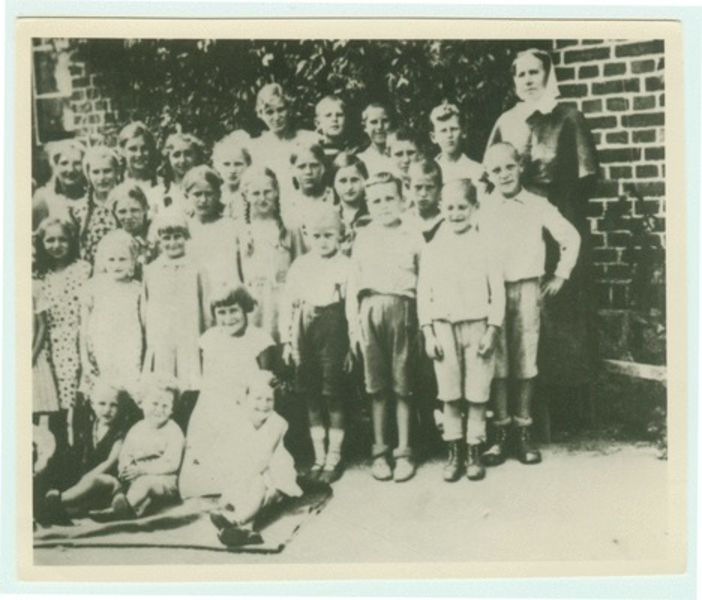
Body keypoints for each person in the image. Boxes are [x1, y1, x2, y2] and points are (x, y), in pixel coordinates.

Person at [487, 48, 599, 413]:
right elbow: (493, 175)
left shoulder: (568, 116)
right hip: (517, 229)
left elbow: (584, 180)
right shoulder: (507, 120)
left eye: (534, 72)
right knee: (517, 316)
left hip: (557, 216)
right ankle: (523, 410)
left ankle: (566, 405)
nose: (528, 80)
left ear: (547, 75)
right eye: (521, 74)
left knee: (558, 311)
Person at [481, 142, 580, 465]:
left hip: (526, 288)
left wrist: (560, 274)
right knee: (496, 363)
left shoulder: (538, 205)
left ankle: (523, 431)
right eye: (496, 170)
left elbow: (571, 237)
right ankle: (500, 432)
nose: (504, 174)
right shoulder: (483, 208)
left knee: (525, 361)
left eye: (509, 167)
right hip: (491, 292)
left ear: (520, 166)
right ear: (488, 175)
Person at [418, 179, 504, 482]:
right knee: (450, 394)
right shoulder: (433, 248)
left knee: (477, 393)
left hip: (477, 326)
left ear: (475, 208)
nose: (455, 214)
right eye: (450, 207)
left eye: (462, 207)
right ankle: (453, 452)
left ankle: (473, 451)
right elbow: (423, 293)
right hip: (444, 329)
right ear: (441, 207)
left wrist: (492, 329)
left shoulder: (486, 246)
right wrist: (428, 333)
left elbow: (498, 292)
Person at [346, 172, 424, 482]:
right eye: (376, 200)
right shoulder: (364, 237)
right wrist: (354, 326)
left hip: (402, 311)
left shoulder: (413, 234)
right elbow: (354, 284)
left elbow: (426, 280)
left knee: (403, 386)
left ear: (403, 200)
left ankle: (404, 452)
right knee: (376, 387)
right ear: (368, 204)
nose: (384, 205)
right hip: (369, 311)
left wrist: (425, 323)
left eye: (390, 198)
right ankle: (380, 452)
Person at [179, 284, 277, 499]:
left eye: (234, 311)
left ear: (245, 309)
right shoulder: (210, 338)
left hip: (246, 404)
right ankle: (213, 485)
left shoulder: (258, 339)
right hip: (213, 403)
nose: (228, 318)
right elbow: (208, 376)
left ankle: (245, 486)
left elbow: (265, 381)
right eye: (221, 313)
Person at [280, 205, 352, 484]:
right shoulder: (301, 265)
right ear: (308, 235)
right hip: (304, 333)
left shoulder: (346, 265)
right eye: (317, 236)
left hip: (334, 334)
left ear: (340, 235)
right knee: (311, 395)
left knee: (333, 395)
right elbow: (288, 303)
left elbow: (352, 308)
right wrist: (287, 341)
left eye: (329, 235)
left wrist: (352, 344)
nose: (323, 241)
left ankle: (334, 456)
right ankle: (318, 456)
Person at [208, 370, 303, 548]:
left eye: (269, 400)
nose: (264, 405)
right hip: (245, 466)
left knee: (259, 486)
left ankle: (237, 522)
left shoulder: (278, 423)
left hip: (273, 467)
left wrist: (247, 478)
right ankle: (246, 532)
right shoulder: (238, 419)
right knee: (240, 490)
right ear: (246, 398)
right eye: (258, 398)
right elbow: (232, 451)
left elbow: (265, 458)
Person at [142, 209, 209, 430]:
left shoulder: (197, 268)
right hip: (162, 339)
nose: (172, 243)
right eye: (167, 238)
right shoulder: (151, 270)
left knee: (190, 386)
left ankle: (187, 431)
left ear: (186, 237)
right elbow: (145, 308)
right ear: (159, 241)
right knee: (164, 386)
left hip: (189, 337)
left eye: (177, 236)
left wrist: (206, 340)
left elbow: (205, 305)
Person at [89, 377, 185, 521]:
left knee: (144, 482)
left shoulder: (173, 431)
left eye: (165, 406)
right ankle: (64, 503)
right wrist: (125, 469)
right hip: (135, 477)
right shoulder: (137, 428)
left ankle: (120, 510)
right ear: (141, 403)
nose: (159, 410)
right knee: (105, 482)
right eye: (155, 403)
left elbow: (171, 464)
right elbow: (125, 454)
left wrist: (142, 470)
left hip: (163, 482)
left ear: (172, 409)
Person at [34, 216, 92, 444]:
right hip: (48, 345)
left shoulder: (83, 269)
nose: (56, 245)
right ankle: (58, 454)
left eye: (62, 240)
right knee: (53, 404)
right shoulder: (40, 275)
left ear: (71, 241)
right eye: (50, 240)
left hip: (77, 340)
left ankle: (80, 451)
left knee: (78, 403)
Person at [42, 379, 127, 523]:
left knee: (95, 480)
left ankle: (57, 501)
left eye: (113, 405)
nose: (107, 410)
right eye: (102, 404)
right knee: (60, 467)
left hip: (108, 481)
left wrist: (86, 478)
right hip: (84, 482)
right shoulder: (90, 426)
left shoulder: (119, 432)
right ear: (92, 404)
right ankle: (62, 504)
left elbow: (110, 461)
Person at [79, 230, 144, 416]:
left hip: (128, 349)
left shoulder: (137, 289)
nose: (117, 264)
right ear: (103, 261)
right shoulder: (93, 286)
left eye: (122, 259)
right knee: (103, 393)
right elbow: (83, 328)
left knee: (128, 393)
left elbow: (143, 324)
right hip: (101, 349)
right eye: (111, 259)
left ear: (133, 261)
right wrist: (85, 359)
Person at [237, 167, 300, 343]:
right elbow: (237, 273)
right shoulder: (241, 231)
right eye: (256, 193)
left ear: (276, 192)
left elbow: (301, 266)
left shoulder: (290, 229)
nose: (262, 198)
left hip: (283, 300)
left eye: (267, 192)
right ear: (246, 196)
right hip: (253, 302)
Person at [249, 83, 317, 205]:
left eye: (280, 110)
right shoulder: (256, 147)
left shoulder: (308, 139)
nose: (276, 117)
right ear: (260, 114)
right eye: (269, 112)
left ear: (289, 109)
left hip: (308, 204)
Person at [184, 165, 241, 293]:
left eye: (209, 194)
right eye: (197, 194)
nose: (203, 200)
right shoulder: (184, 228)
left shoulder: (229, 226)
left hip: (224, 292)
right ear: (187, 195)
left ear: (218, 195)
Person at [78, 145, 122, 264]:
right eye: (96, 172)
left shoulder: (126, 202)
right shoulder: (79, 209)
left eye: (107, 171)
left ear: (117, 171)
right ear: (88, 174)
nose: (101, 178)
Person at [32, 139, 87, 232]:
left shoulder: (93, 196)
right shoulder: (44, 198)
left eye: (77, 163)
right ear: (55, 166)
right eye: (64, 163)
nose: (71, 170)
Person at [429, 101, 484, 187]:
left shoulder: (477, 170)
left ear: (464, 132)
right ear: (433, 137)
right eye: (443, 131)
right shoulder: (428, 170)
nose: (449, 135)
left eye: (454, 129)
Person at [111, 181, 158, 278]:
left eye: (134, 210)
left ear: (145, 209)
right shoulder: (110, 241)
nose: (128, 216)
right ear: (114, 213)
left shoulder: (157, 235)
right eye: (122, 211)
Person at [288, 142, 336, 234]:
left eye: (314, 165)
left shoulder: (335, 197)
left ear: (323, 168)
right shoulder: (288, 203)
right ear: (292, 170)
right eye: (301, 167)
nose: (308, 172)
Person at [118, 121, 163, 217]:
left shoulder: (162, 185)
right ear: (122, 151)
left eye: (144, 148)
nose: (139, 154)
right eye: (133, 149)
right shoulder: (116, 184)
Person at [156, 132, 206, 217]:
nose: (182, 160)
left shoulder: (207, 190)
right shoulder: (160, 192)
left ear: (197, 156)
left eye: (188, 154)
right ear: (168, 158)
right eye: (176, 155)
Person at [331, 152, 371, 256]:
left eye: (354, 180)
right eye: (343, 181)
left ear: (365, 181)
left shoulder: (373, 213)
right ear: (334, 184)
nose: (349, 187)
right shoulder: (329, 216)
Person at [211, 130, 252, 223]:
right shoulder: (214, 194)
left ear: (248, 165)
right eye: (226, 164)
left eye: (238, 164)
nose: (232, 170)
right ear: (217, 165)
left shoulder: (252, 194)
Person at [405, 158, 444, 242]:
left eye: (429, 187)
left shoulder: (447, 220)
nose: (423, 194)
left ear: (440, 189)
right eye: (418, 187)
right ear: (408, 187)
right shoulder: (404, 221)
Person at [314, 95, 356, 166]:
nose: (334, 119)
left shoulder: (354, 152)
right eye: (328, 115)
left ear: (346, 120)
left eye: (339, 115)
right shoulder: (313, 154)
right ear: (318, 123)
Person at [356, 102, 394, 177]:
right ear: (365, 127)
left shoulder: (401, 155)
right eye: (374, 122)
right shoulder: (360, 159)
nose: (380, 126)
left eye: (385, 121)